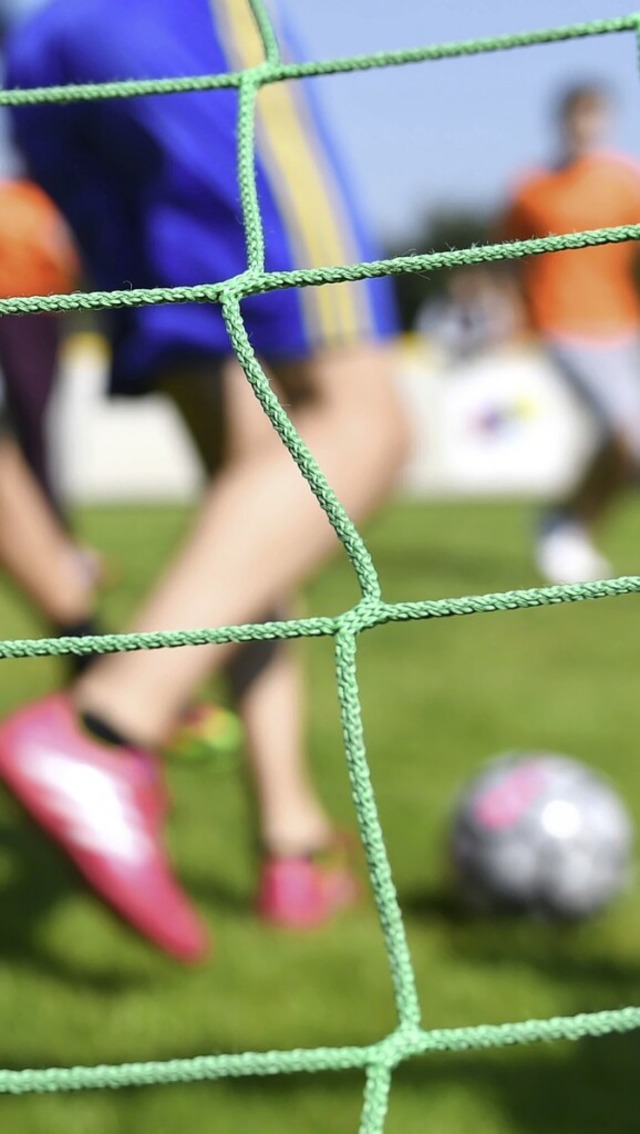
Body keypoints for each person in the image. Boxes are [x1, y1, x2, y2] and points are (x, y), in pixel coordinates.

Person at [0, 0, 407, 962]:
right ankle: (106, 733)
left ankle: (291, 843)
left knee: (259, 485)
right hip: (179, 24)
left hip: (46, 55)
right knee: (362, 424)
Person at [500, 82, 640, 584]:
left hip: (624, 322)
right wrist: (510, 313)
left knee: (624, 442)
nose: (585, 126)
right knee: (629, 434)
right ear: (562, 122)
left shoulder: (626, 182)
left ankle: (570, 524)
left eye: (594, 116)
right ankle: (568, 528)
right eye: (577, 116)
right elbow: (505, 258)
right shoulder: (532, 187)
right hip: (562, 324)